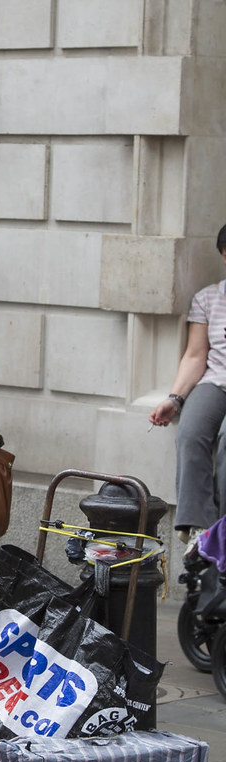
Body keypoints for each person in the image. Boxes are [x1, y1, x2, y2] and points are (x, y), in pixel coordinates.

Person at [150, 223, 226, 543]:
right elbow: (195, 356)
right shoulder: (209, 298)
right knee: (191, 433)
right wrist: (175, 398)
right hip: (215, 381)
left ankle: (222, 526)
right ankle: (198, 527)